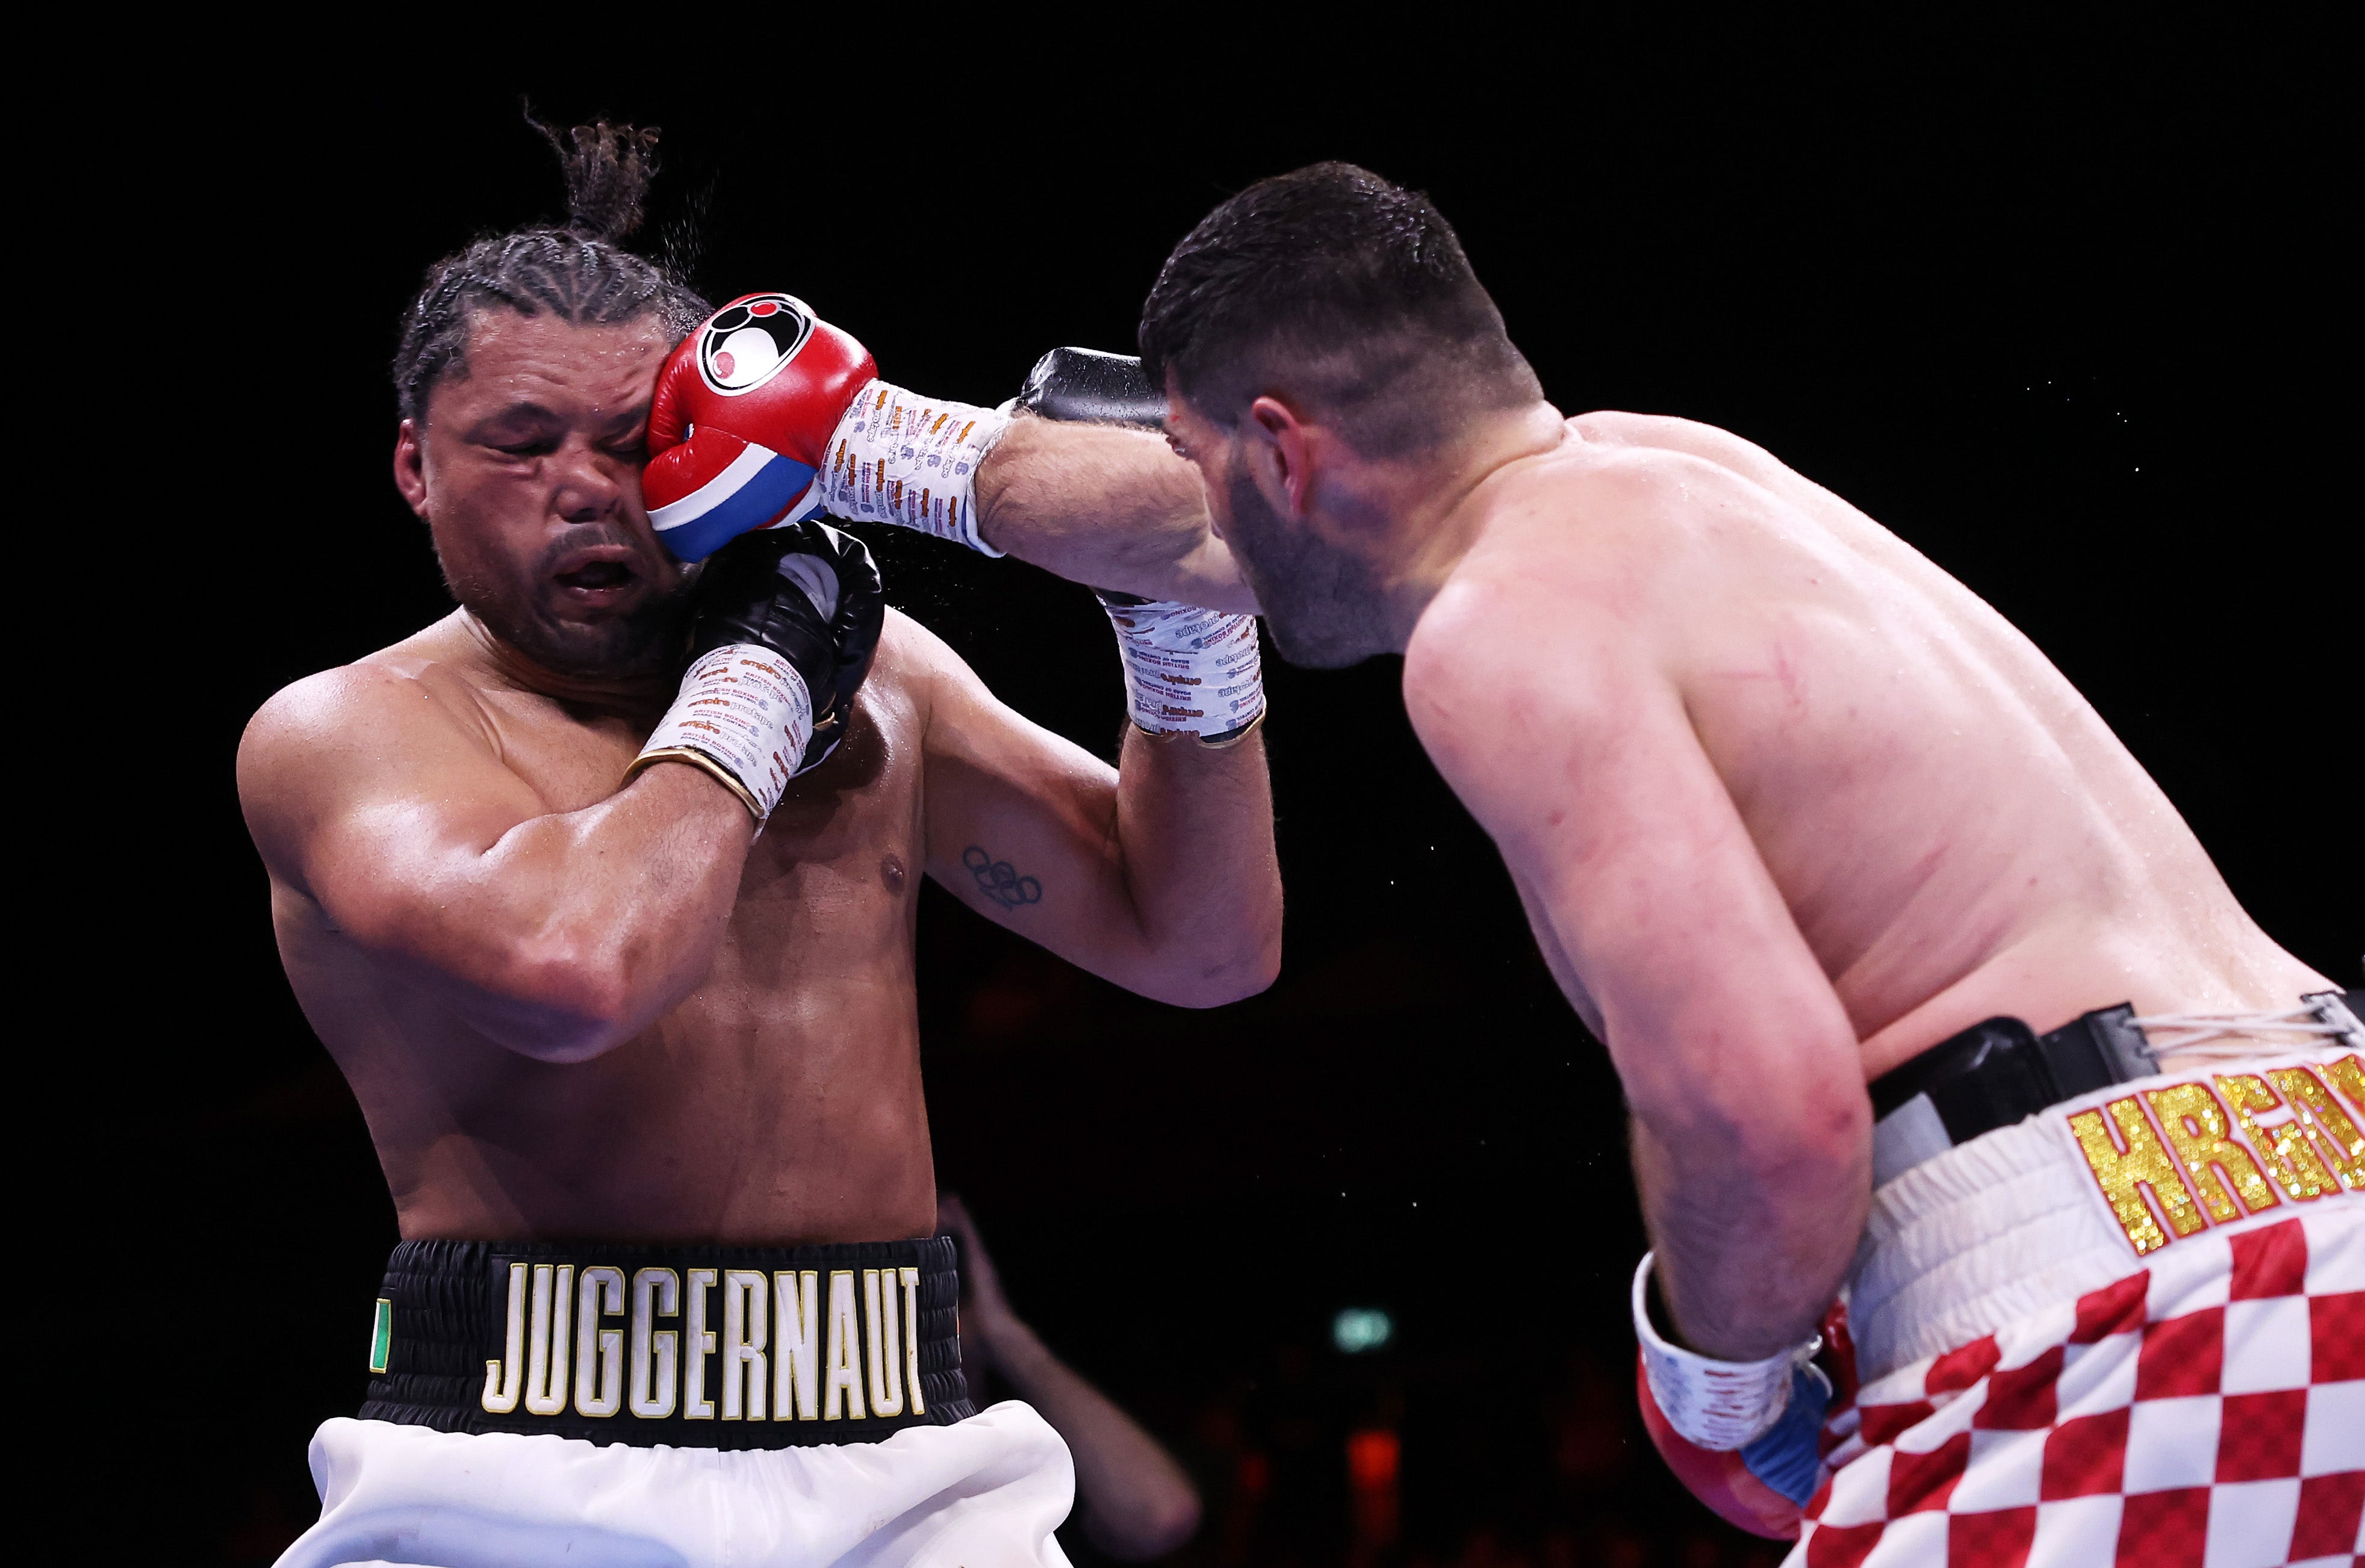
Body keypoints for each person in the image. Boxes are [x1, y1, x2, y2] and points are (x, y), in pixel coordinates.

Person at [1127, 162, 2364, 1565]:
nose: (1204, 522)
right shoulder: (1689, 471)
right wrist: (890, 454)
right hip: (2320, 1176)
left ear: (1283, 453)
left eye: (1197, 464)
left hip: (2124, 1299)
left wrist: (1718, 1379)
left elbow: (1770, 1122)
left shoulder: (1497, 628)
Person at [238, 119, 1280, 1568]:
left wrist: (1178, 623)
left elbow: (1205, 945)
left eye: (628, 440)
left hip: (911, 1466)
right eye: (522, 446)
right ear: (414, 466)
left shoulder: (889, 679)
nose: (588, 488)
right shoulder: (353, 732)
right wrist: (764, 672)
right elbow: (580, 968)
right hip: (523, 1478)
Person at [937, 1196, 1203, 1560]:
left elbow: (1162, 1516)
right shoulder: (852, 1458)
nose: (929, 1305)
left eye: (943, 1270)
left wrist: (1006, 1336)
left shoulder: (1034, 1464)